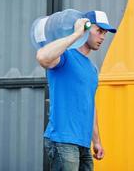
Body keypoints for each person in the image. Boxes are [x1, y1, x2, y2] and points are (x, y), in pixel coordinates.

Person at [36, 10, 117, 171]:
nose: (103, 37)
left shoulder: (92, 69)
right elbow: (42, 57)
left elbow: (90, 105)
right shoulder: (65, 56)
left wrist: (97, 141)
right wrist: (77, 34)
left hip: (83, 144)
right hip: (63, 140)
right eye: (99, 31)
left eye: (105, 33)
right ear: (86, 28)